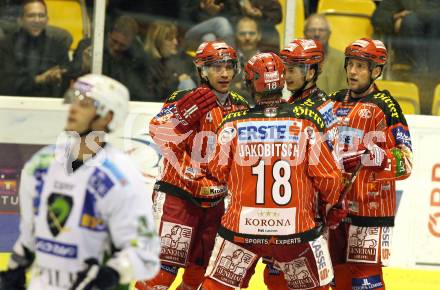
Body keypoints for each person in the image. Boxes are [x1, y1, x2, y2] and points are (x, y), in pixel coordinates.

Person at [0, 74, 161, 290]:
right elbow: (30, 235)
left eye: (85, 104)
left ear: (107, 117)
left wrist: (111, 274)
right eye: (74, 101)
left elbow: (145, 254)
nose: (74, 109)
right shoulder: (40, 166)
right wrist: (15, 269)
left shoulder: (122, 178)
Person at [200, 52, 342, 290]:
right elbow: (329, 179)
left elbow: (216, 171)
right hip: (296, 232)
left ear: (248, 82)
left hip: (241, 231)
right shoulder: (307, 121)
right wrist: (328, 207)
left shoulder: (231, 123)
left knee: (214, 287)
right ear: (282, 79)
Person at [136, 41, 249, 290]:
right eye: (216, 67)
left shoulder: (241, 106)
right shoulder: (182, 98)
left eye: (229, 66)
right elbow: (159, 134)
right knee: (160, 274)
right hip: (179, 197)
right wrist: (182, 116)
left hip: (216, 203)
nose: (224, 73)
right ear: (202, 70)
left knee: (199, 272)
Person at [328, 38, 413, 289]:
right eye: (350, 65)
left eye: (361, 66)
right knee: (336, 276)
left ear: (376, 71)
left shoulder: (387, 106)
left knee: (366, 280)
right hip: (333, 209)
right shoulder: (333, 101)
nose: (353, 72)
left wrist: (372, 156)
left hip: (370, 209)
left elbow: (406, 163)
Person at [262, 38, 345, 289]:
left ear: (311, 70)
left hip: (309, 211)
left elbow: (334, 160)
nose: (286, 75)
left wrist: (333, 202)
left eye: (293, 69)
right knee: (275, 274)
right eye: (285, 68)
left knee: (309, 278)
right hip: (283, 205)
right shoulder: (287, 105)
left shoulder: (321, 107)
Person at [70, 15, 149, 101]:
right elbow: (72, 78)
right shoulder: (89, 47)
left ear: (131, 43)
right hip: (89, 99)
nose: (116, 47)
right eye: (114, 41)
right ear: (109, 34)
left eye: (122, 45)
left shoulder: (135, 57)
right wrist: (85, 68)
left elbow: (141, 93)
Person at [0, 0, 69, 97]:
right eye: (31, 16)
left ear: (47, 20)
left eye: (41, 16)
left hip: (48, 105)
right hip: (13, 104)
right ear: (20, 20)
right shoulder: (6, 45)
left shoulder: (58, 47)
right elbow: (5, 85)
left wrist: (58, 78)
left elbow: (65, 86)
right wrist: (39, 80)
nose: (37, 20)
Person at [371, 0, 440, 72]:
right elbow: (377, 18)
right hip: (406, 58)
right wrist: (395, 17)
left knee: (436, 20)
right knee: (410, 21)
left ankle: (433, 71)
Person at [144, 21, 197, 102]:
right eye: (170, 39)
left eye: (175, 38)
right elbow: (151, 94)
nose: (175, 42)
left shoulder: (177, 60)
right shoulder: (147, 64)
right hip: (159, 107)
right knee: (187, 83)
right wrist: (177, 81)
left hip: (178, 105)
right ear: (158, 42)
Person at [303, 14, 346, 94]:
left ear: (329, 34)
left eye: (321, 30)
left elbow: (346, 91)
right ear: (304, 33)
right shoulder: (296, 60)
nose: (317, 34)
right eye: (312, 30)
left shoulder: (341, 59)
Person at [231, 16, 262, 102]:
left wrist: (240, 85)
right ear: (236, 36)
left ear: (259, 35)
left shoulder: (270, 61)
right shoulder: (227, 62)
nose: (247, 38)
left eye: (251, 33)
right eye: (242, 34)